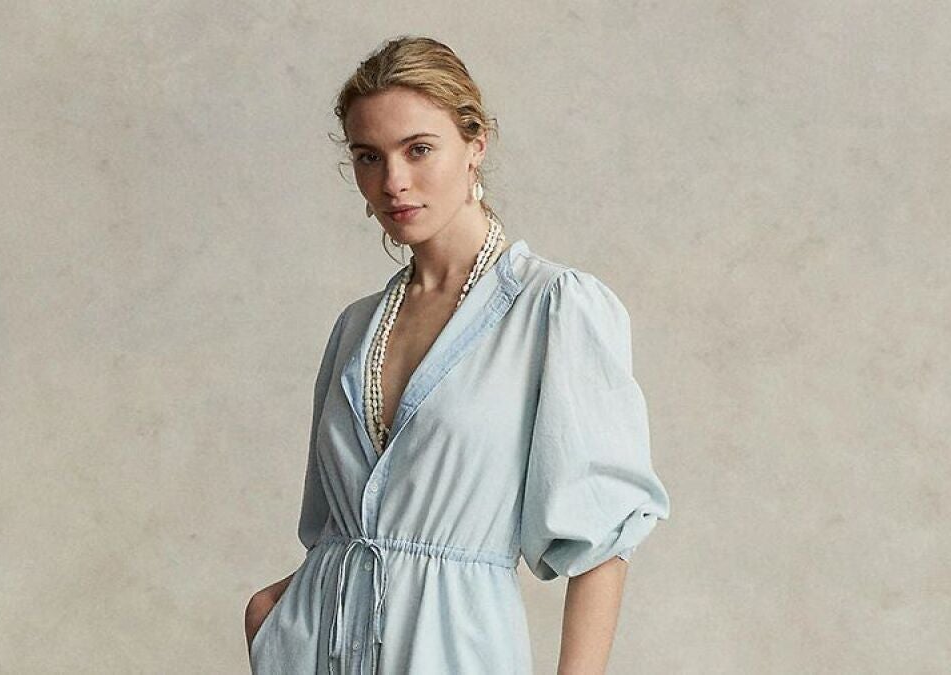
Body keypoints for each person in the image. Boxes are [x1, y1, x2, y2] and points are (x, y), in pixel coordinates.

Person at [244, 35, 670, 674]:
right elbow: (335, 528)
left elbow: (603, 541)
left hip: (454, 651)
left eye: (418, 149)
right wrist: (269, 616)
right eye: (368, 157)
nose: (393, 182)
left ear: (476, 145)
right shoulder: (356, 328)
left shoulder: (553, 308)